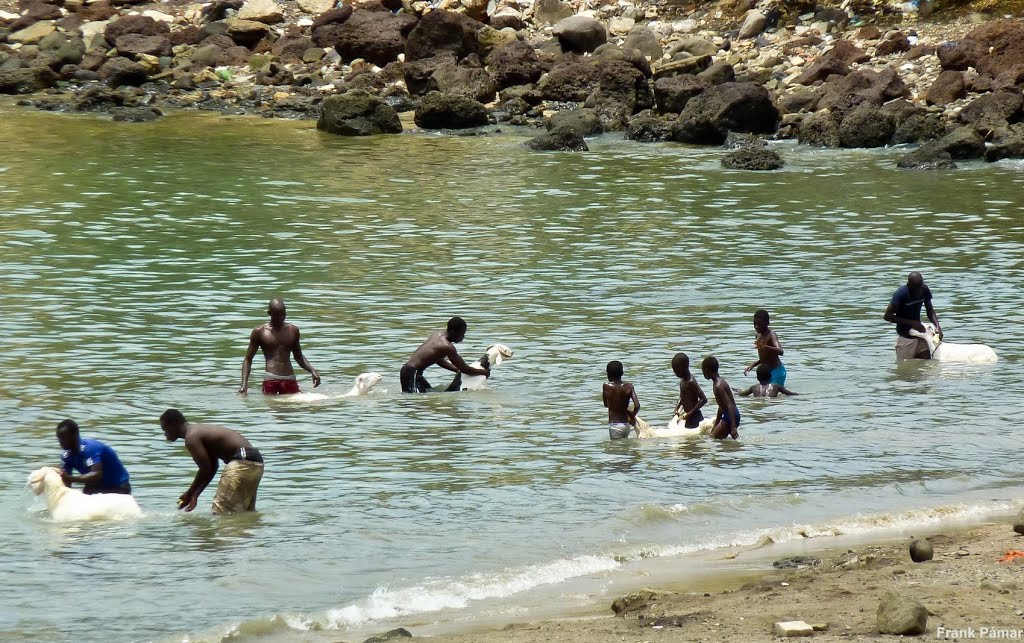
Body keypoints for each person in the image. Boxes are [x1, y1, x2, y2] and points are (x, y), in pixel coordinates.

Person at [160, 408, 263, 514]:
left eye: (165, 429)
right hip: (255, 462)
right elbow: (212, 467)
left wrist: (189, 493)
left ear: (175, 423)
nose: (165, 434)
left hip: (241, 462)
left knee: (221, 513)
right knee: (243, 513)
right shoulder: (197, 431)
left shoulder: (191, 437)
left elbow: (205, 468)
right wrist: (195, 495)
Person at [239, 298, 320, 395]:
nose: (280, 317)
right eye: (276, 315)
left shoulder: (293, 330)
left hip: (289, 378)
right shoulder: (260, 332)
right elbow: (248, 359)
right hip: (270, 379)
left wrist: (312, 371)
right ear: (269, 313)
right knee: (273, 408)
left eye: (283, 314)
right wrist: (244, 385)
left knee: (294, 408)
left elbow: (298, 357)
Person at [400, 317, 489, 393]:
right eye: (461, 334)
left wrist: (456, 369)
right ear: (453, 331)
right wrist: (483, 372)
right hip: (412, 373)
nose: (462, 338)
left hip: (410, 371)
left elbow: (437, 359)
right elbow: (464, 368)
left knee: (428, 394)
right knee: (415, 401)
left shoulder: (437, 334)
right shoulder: (447, 346)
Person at [56, 419, 132, 495]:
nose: (60, 442)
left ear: (74, 436)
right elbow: (67, 483)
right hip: (96, 487)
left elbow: (96, 474)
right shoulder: (66, 457)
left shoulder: (90, 448)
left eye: (63, 438)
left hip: (119, 486)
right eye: (59, 438)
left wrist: (71, 479)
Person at [884, 271, 942, 359]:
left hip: (921, 336)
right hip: (906, 337)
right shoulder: (900, 294)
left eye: (920, 287)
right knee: (904, 369)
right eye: (916, 288)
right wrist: (912, 323)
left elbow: (930, 310)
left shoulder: (924, 289)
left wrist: (937, 326)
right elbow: (887, 316)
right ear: (909, 285)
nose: (919, 291)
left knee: (926, 365)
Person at [744, 309, 786, 386]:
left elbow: (781, 351)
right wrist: (752, 365)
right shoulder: (758, 335)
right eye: (754, 324)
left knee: (770, 395)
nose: (756, 327)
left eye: (759, 324)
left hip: (777, 371)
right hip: (767, 374)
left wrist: (766, 347)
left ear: (767, 323)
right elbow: (766, 358)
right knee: (762, 393)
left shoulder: (771, 335)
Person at [702, 356, 740, 440]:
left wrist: (733, 427)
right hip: (731, 415)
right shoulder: (718, 382)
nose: (703, 373)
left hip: (731, 416)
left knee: (713, 439)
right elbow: (721, 406)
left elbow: (729, 405)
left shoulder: (718, 386)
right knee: (719, 441)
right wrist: (716, 423)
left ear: (706, 370)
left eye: (703, 370)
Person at [603, 360, 640, 439]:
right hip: (626, 425)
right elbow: (637, 405)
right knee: (625, 449)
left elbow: (606, 404)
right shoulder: (629, 386)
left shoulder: (606, 386)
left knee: (616, 449)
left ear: (608, 374)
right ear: (622, 373)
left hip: (615, 426)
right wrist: (632, 416)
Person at [671, 352, 707, 428]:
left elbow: (703, 399)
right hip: (688, 417)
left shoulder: (691, 381)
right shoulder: (682, 380)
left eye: (676, 370)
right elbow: (682, 397)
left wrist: (690, 413)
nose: (674, 373)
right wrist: (677, 408)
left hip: (695, 417)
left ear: (683, 368)